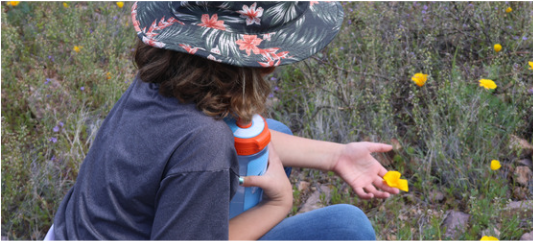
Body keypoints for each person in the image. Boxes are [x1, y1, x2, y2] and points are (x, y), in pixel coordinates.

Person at [49, 1, 400, 240]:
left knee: (265, 135)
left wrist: (336, 155)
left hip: (73, 231)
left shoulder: (166, 74)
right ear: (265, 56)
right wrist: (279, 204)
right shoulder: (205, 144)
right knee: (346, 227)